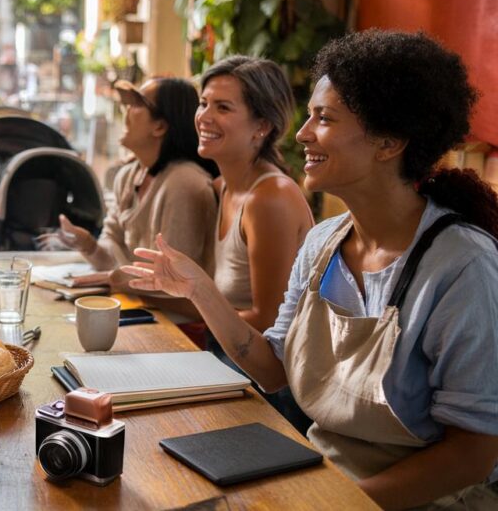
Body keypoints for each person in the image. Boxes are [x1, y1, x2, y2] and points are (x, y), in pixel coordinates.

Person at [125, 30, 498, 509]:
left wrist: (337, 503)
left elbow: (471, 454)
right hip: (322, 477)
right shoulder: (325, 242)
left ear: (388, 142)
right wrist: (200, 292)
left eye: (324, 118)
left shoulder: (464, 266)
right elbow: (274, 369)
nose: (302, 134)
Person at [195, 56, 314, 431]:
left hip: (274, 394)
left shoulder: (270, 198)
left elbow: (268, 321)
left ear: (261, 126)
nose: (204, 116)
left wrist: (198, 300)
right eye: (203, 103)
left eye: (223, 107)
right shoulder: (225, 186)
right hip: (229, 362)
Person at [44, 77, 218, 294]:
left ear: (160, 126)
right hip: (138, 305)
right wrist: (88, 244)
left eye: (136, 104)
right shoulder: (128, 176)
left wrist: (112, 278)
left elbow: (173, 281)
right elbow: (112, 259)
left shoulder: (184, 184)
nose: (125, 111)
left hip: (174, 321)